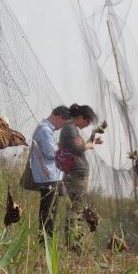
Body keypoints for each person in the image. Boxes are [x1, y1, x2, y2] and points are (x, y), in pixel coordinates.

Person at [58, 103, 103, 254]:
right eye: (87, 122)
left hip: (76, 174)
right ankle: (73, 244)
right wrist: (89, 145)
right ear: (82, 118)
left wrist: (91, 141)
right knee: (75, 209)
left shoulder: (71, 129)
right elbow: (77, 148)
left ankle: (73, 243)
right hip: (76, 175)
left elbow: (78, 146)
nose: (86, 125)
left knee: (75, 208)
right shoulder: (70, 128)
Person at [30, 106, 71, 240]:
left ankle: (46, 242)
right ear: (59, 117)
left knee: (50, 211)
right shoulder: (45, 130)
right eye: (62, 124)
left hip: (49, 176)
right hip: (47, 178)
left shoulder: (46, 130)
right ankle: (45, 244)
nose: (60, 128)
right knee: (47, 212)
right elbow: (51, 153)